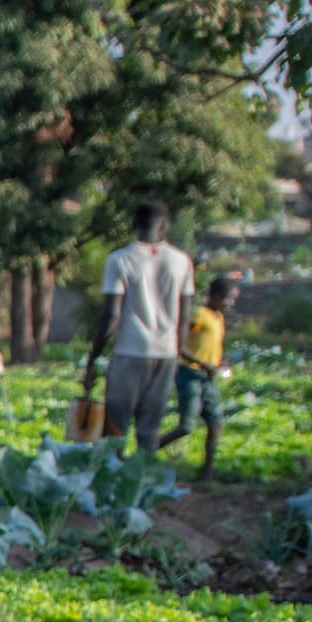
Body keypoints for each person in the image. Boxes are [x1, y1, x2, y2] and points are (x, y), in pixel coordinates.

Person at [89, 202, 193, 456]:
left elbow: (111, 314)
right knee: (149, 429)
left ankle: (113, 484)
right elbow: (185, 314)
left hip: (130, 351)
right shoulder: (181, 261)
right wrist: (177, 353)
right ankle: (143, 485)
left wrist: (93, 358)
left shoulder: (120, 259)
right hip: (166, 353)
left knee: (116, 428)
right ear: (164, 226)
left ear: (134, 224)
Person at [162, 272, 235, 475]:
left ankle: (207, 471)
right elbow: (180, 345)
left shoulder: (218, 318)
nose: (230, 303)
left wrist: (218, 362)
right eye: (228, 298)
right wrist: (203, 364)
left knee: (215, 422)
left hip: (208, 377)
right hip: (190, 374)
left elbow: (209, 346)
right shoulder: (198, 315)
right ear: (215, 296)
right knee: (186, 426)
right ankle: (147, 451)